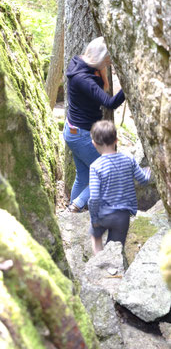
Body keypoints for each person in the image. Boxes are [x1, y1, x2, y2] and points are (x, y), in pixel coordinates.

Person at [63, 36, 125, 212]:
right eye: (106, 62)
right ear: (99, 60)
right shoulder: (84, 79)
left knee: (83, 177)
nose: (108, 65)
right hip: (81, 135)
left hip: (73, 132)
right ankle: (76, 205)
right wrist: (127, 86)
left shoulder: (78, 63)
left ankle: (72, 213)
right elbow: (110, 103)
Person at [88, 120, 151, 254]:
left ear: (94, 143)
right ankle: (113, 270)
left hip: (103, 215)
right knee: (115, 250)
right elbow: (144, 180)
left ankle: (99, 263)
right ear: (116, 140)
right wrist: (150, 169)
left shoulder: (95, 167)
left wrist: (94, 218)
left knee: (96, 237)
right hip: (122, 216)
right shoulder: (129, 159)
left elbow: (94, 198)